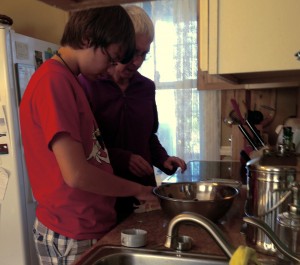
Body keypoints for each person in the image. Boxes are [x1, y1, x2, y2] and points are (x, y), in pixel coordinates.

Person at [19, 6, 159, 265]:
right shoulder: (53, 81)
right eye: (111, 58)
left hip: (86, 225)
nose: (110, 69)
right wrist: (139, 190)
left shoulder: (68, 80)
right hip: (72, 231)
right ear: (87, 39)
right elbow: (77, 174)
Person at [79, 5, 187, 223]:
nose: (137, 62)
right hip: (105, 199)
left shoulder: (146, 87)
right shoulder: (86, 85)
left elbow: (148, 135)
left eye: (144, 54)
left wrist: (163, 159)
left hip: (145, 198)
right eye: (133, 52)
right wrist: (122, 158)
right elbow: (82, 149)